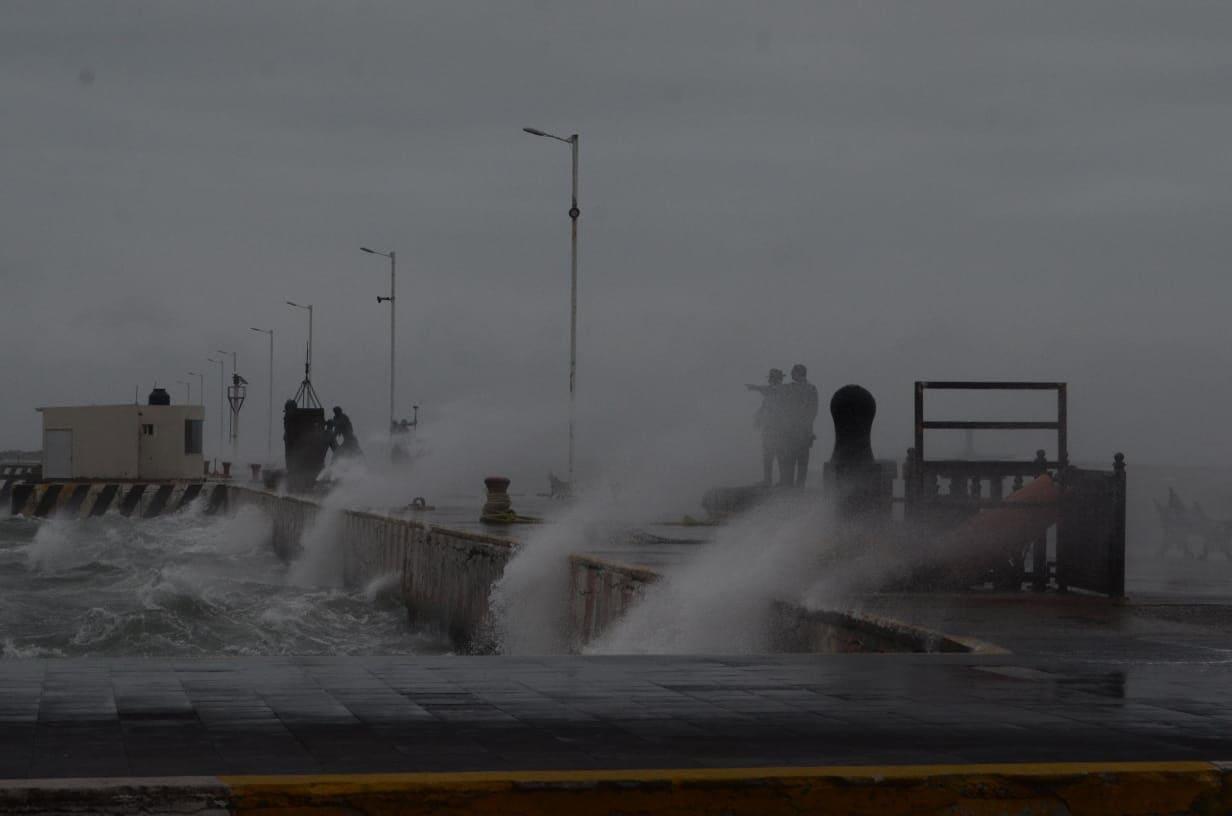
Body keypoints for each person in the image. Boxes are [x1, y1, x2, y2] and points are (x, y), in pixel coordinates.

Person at [780, 363, 818, 487]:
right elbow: (813, 411)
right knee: (802, 461)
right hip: (804, 430)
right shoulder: (811, 388)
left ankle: (790, 487)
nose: (791, 374)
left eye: (793, 372)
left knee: (790, 459)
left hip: (792, 430)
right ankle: (799, 487)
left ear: (798, 373)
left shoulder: (790, 388)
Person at [746, 368, 787, 486]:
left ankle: (778, 481)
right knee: (769, 456)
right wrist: (758, 418)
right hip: (770, 429)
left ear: (775, 379)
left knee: (777, 455)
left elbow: (769, 391)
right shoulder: (773, 391)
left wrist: (754, 387)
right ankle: (769, 480)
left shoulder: (780, 390)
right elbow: (765, 406)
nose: (770, 380)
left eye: (771, 378)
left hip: (777, 429)